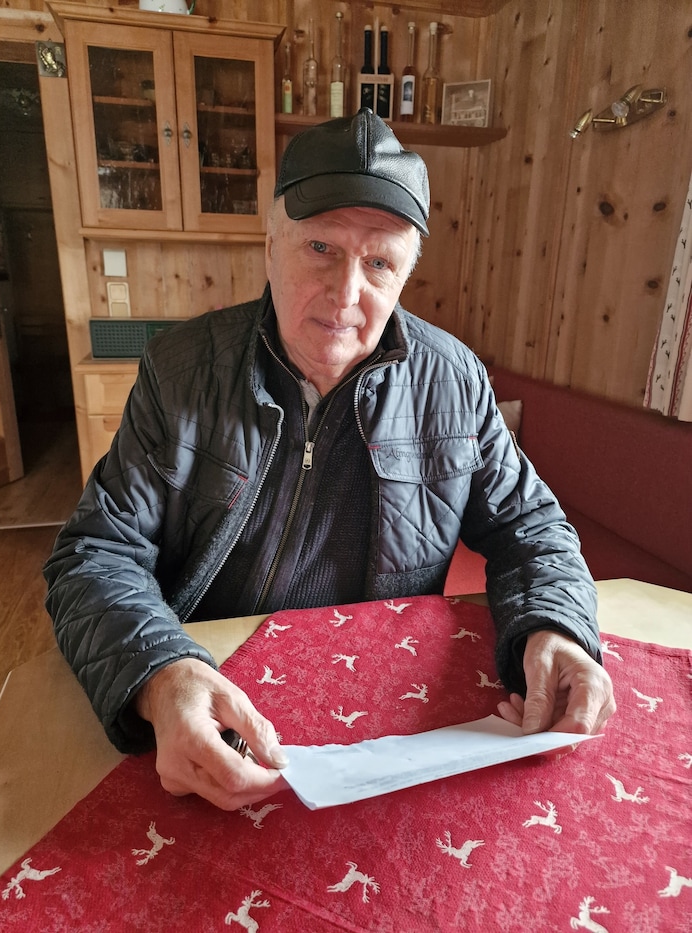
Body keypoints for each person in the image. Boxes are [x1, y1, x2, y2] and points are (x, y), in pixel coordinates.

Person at [44, 108, 615, 812]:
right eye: (320, 247)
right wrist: (162, 675)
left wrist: (557, 626)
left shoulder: (455, 383)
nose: (346, 295)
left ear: (405, 274)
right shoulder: (180, 370)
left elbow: (532, 528)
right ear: (271, 244)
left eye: (379, 263)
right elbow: (93, 554)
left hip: (382, 719)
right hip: (211, 693)